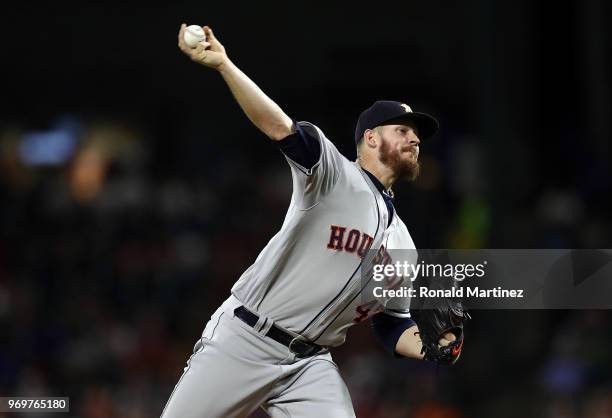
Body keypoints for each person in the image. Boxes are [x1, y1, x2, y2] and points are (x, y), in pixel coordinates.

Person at [161, 24, 463, 418]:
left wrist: (431, 345)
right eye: (403, 130)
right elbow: (279, 127)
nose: (414, 140)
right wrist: (225, 66)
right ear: (370, 138)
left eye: (418, 136)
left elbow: (392, 325)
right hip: (245, 340)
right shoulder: (333, 174)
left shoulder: (404, 245)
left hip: (310, 365)